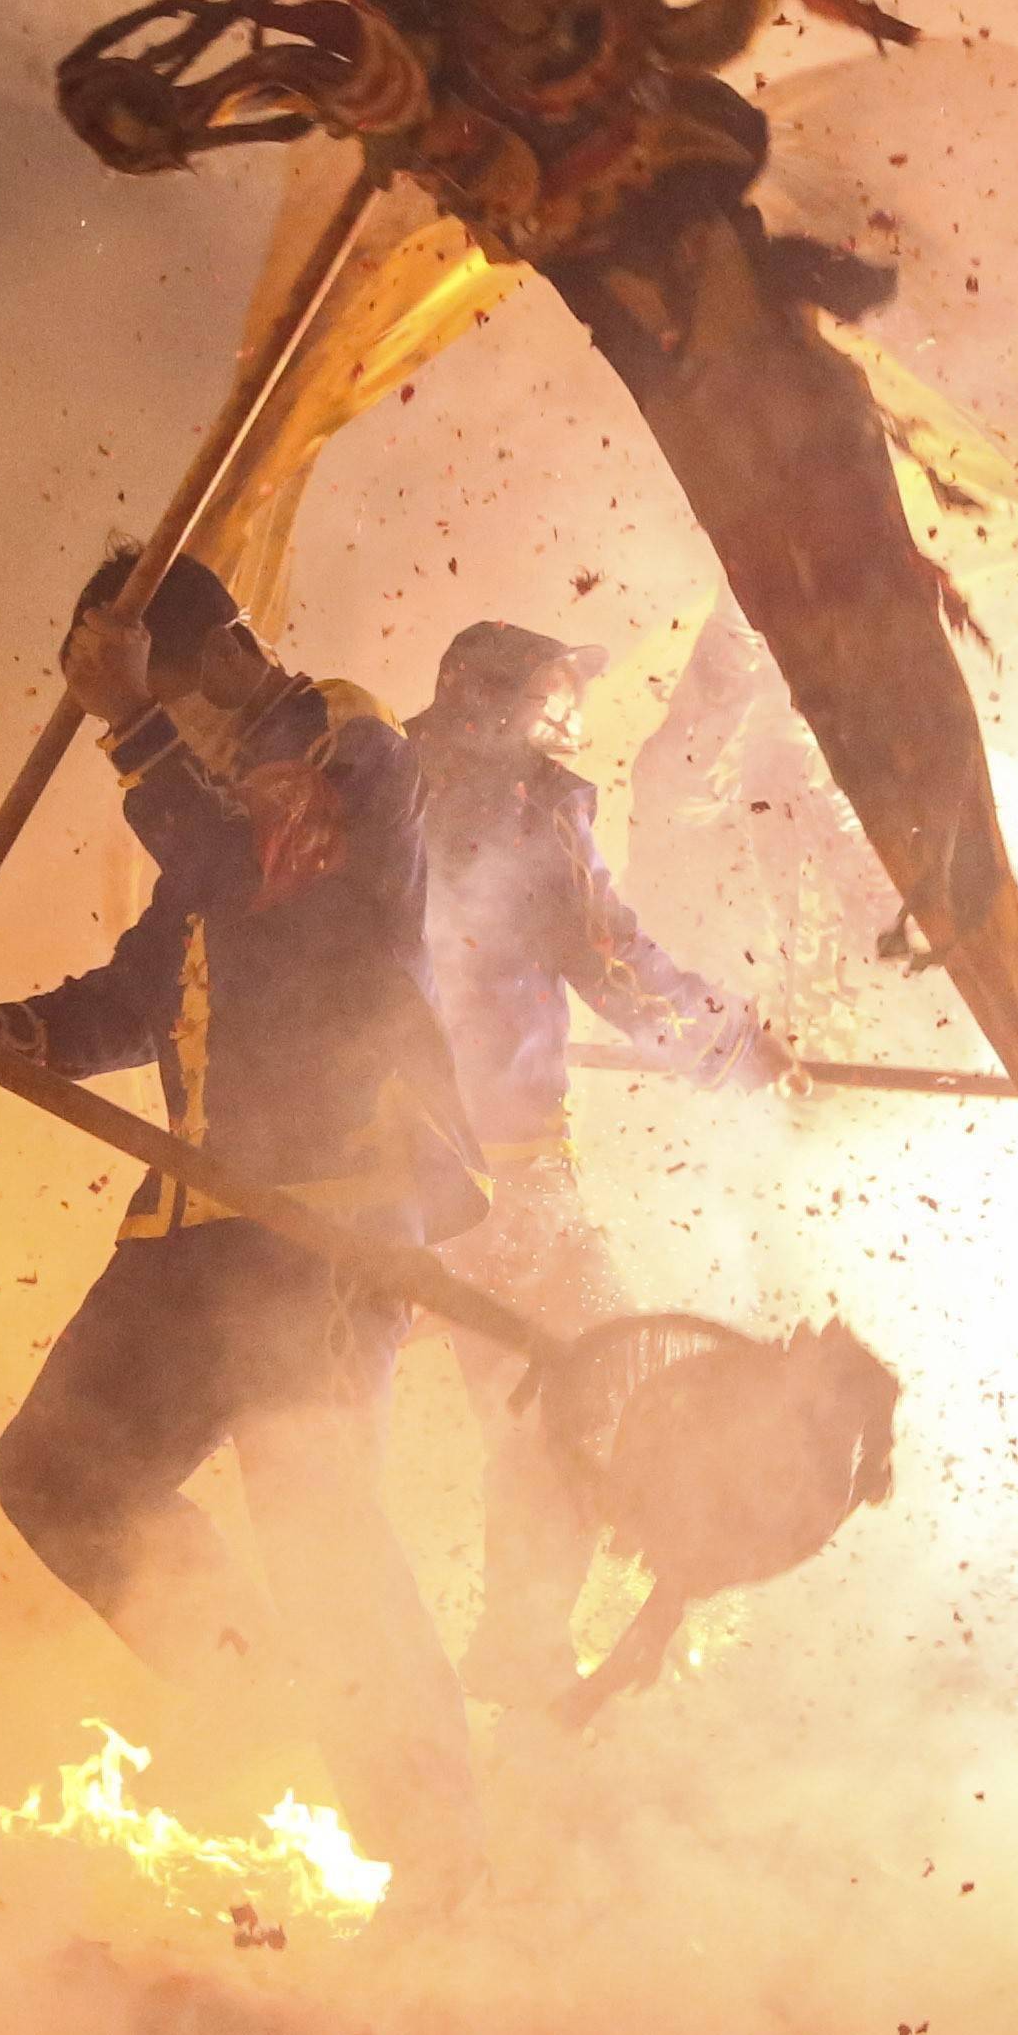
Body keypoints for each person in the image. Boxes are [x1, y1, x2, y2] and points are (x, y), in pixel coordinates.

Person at [0, 549, 491, 1908]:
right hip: (198, 1217)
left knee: (318, 1519)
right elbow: (148, 989)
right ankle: (258, 1704)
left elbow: (274, 890)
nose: (173, 741)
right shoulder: (202, 800)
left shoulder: (350, 741)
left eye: (171, 702)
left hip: (330, 1210)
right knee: (57, 1473)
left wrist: (131, 732)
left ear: (232, 657)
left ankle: (443, 1868)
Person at [408, 618, 789, 1708]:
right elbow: (612, 953)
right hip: (505, 1179)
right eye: (549, 696)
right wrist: (731, 1042)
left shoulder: (375, 779)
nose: (569, 716)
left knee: (542, 1401)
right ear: (486, 702)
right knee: (591, 1375)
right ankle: (519, 1653)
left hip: (389, 1171)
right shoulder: (532, 807)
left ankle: (509, 1655)